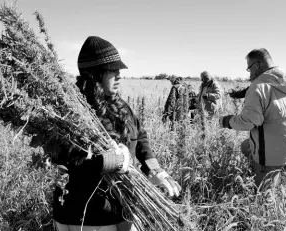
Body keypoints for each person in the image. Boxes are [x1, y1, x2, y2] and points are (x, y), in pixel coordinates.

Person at [38, 36, 181, 231]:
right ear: (95, 75)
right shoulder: (69, 111)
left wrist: (154, 171)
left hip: (124, 206)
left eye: (119, 70)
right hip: (86, 214)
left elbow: (139, 136)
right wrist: (110, 161)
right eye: (113, 71)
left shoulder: (119, 105)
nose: (119, 75)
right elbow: (65, 158)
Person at [219, 48, 286, 190]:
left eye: (249, 68)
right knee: (245, 147)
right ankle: (274, 173)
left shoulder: (258, 87)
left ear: (258, 64)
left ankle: (264, 175)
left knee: (262, 197)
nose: (250, 73)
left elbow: (248, 122)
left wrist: (226, 121)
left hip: (270, 151)